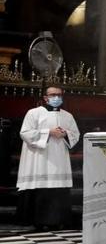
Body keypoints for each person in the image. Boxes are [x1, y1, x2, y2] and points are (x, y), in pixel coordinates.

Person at [17, 84, 80, 230]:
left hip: (59, 160)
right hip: (39, 159)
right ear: (45, 98)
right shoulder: (34, 113)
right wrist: (49, 132)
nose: (56, 97)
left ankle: (58, 220)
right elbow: (25, 133)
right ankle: (38, 221)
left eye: (59, 95)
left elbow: (75, 134)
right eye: (52, 95)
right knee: (41, 189)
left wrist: (65, 134)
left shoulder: (67, 116)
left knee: (58, 190)